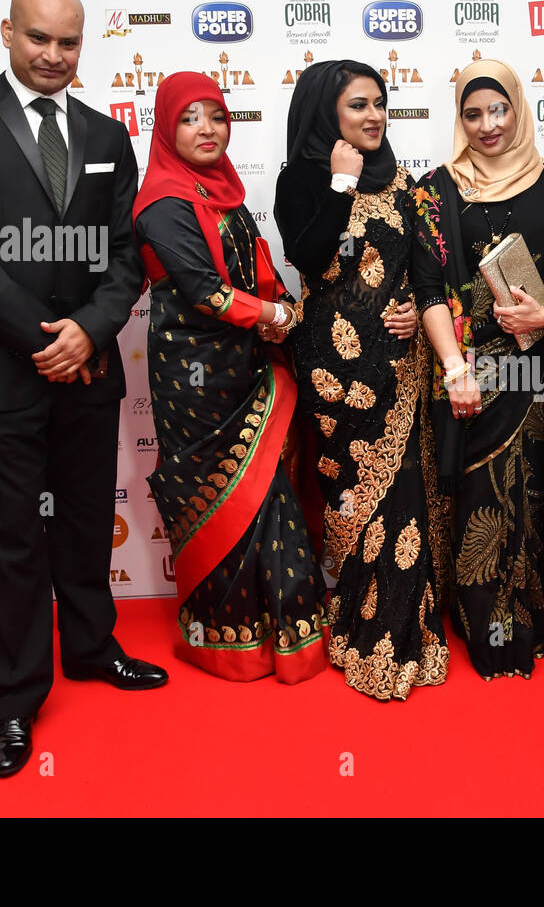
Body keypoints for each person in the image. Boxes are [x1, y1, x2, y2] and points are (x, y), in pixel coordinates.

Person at [0, 0, 165, 779]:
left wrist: (89, 331)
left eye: (68, 43)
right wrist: (42, 338)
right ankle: (17, 696)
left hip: (87, 370)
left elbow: (126, 257)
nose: (54, 56)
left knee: (87, 521)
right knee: (8, 537)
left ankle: (90, 648)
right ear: (7, 33)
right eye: (39, 39)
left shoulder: (104, 133)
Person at [411, 59, 544, 680]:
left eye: (499, 110)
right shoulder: (438, 189)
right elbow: (430, 287)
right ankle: (493, 627)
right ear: (459, 119)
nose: (488, 125)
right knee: (485, 499)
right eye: (473, 113)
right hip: (479, 372)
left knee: (540, 492)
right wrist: (454, 368)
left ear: (518, 109)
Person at [134, 72, 327, 684]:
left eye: (215, 116)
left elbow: (257, 269)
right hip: (194, 376)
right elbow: (206, 291)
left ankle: (287, 628)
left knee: (268, 484)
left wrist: (276, 314)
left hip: (249, 361)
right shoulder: (163, 202)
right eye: (190, 118)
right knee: (220, 492)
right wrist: (275, 316)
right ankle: (229, 638)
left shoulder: (226, 193)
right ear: (168, 129)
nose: (207, 129)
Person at [274, 60, 450, 700]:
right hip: (332, 370)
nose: (374, 116)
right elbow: (316, 257)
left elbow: (428, 277)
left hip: (399, 366)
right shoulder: (301, 181)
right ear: (328, 114)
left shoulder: (410, 187)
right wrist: (341, 184)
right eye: (357, 106)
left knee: (404, 496)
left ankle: (402, 635)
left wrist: (410, 305)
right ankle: (353, 622)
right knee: (352, 501)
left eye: (380, 103)